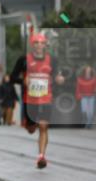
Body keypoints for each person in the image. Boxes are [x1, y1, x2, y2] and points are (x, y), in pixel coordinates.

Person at [10, 33, 64, 168]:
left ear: (45, 45)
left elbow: (57, 75)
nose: (39, 46)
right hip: (30, 99)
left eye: (41, 43)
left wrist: (59, 79)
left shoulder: (52, 60)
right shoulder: (23, 60)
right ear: (32, 45)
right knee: (31, 128)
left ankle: (41, 157)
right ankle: (29, 125)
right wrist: (23, 80)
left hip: (46, 97)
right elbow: (12, 77)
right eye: (36, 43)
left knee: (43, 126)